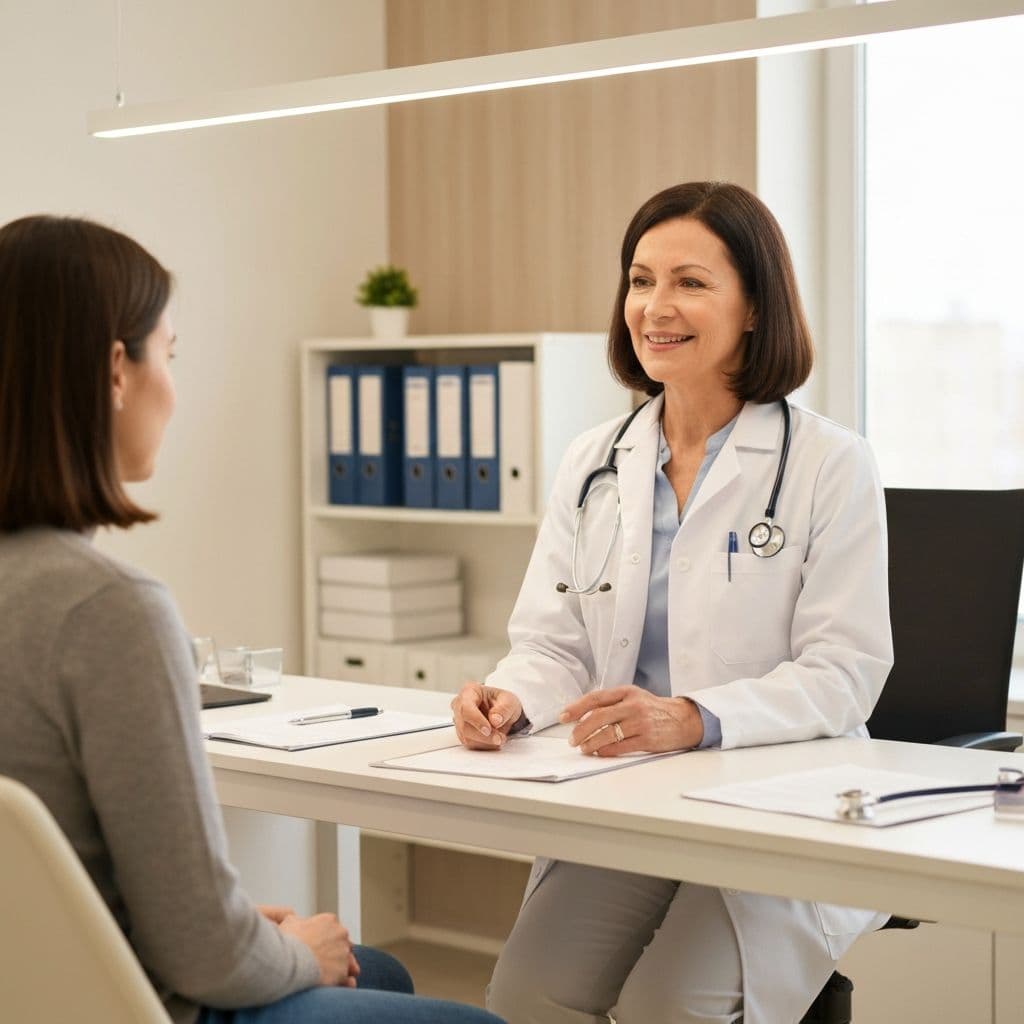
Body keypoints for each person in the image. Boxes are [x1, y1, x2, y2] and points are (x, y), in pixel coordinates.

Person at [0, 214, 504, 1024]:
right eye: (169, 355)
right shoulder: (108, 610)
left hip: (31, 984)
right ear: (116, 372)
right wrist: (299, 949)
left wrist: (250, 935)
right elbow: (207, 955)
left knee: (380, 971)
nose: (174, 389)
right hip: (133, 1003)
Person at [451, 182, 893, 1024]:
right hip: (633, 792)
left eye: (690, 282)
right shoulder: (595, 461)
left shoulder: (830, 464)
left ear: (754, 307)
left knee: (669, 1006)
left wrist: (692, 718)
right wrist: (511, 698)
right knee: (527, 998)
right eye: (641, 280)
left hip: (775, 794)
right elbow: (552, 642)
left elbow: (845, 672)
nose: (655, 307)